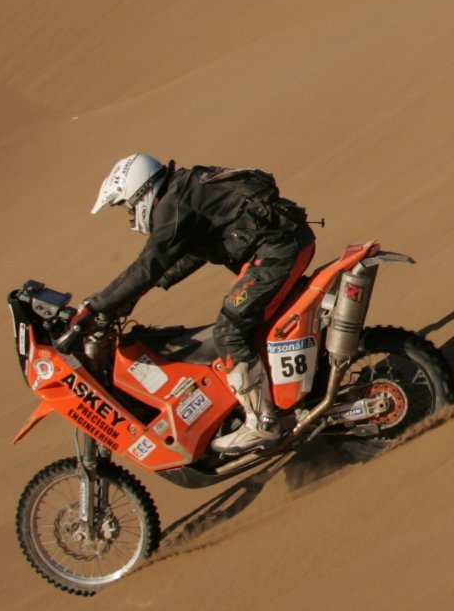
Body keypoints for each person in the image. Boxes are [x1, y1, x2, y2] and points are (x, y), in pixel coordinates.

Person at [67, 154, 316, 455]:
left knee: (229, 331)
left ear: (140, 192)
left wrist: (96, 306)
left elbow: (149, 264)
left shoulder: (172, 205)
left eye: (129, 206)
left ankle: (262, 423)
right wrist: (138, 291)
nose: (132, 215)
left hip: (277, 252)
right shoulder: (184, 189)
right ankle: (290, 396)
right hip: (283, 243)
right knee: (251, 325)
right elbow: (190, 252)